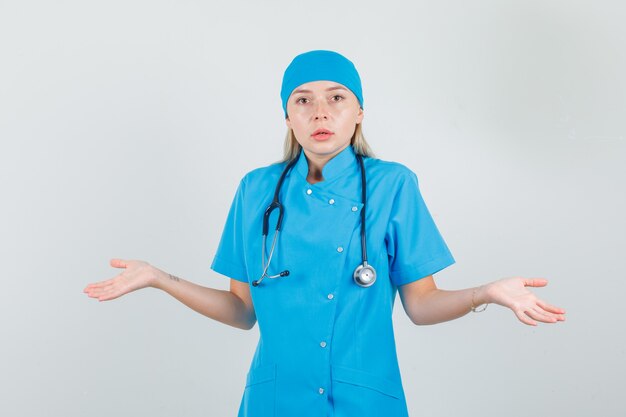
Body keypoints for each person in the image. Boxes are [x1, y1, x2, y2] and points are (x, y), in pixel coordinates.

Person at [84, 50, 566, 417]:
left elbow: (421, 305)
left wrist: (488, 292)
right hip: (275, 399)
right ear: (288, 117)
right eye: (303, 100)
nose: (320, 112)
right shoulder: (256, 190)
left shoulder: (391, 184)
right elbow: (241, 310)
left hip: (364, 397)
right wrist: (158, 278)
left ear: (359, 112)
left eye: (337, 98)